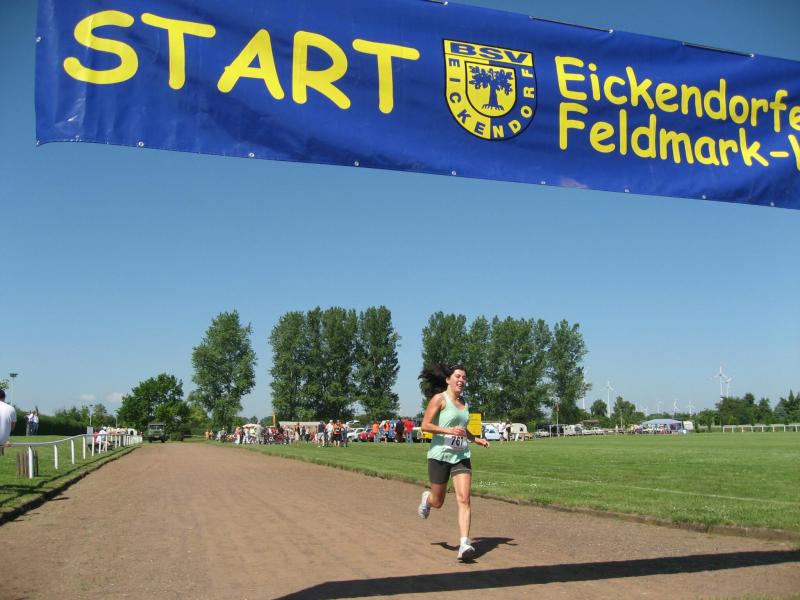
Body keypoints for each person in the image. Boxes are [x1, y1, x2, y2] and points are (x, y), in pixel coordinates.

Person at [416, 364, 489, 561]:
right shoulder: (439, 399)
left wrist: (476, 439)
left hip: (461, 455)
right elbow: (425, 425)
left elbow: (462, 429)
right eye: (458, 376)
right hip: (439, 455)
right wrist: (448, 430)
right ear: (448, 380)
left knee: (464, 498)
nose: (461, 380)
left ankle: (464, 543)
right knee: (438, 501)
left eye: (464, 377)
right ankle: (427, 499)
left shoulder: (464, 403)